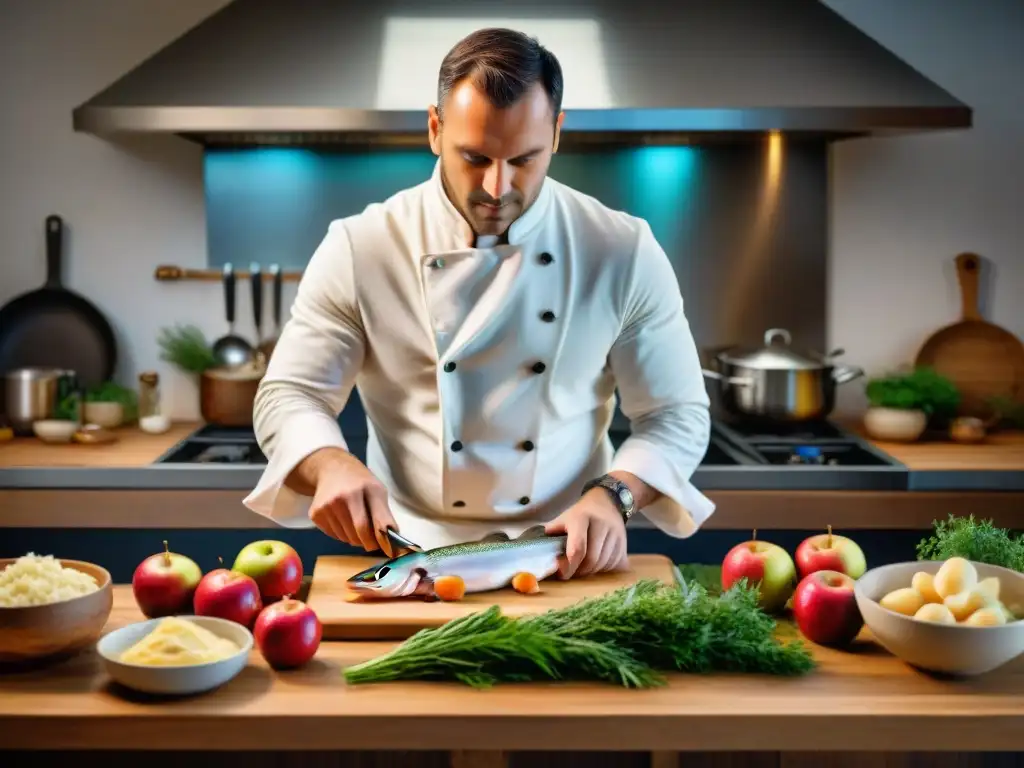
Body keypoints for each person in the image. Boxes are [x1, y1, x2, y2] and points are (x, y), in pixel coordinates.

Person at [243, 27, 714, 579]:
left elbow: (675, 414)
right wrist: (328, 466)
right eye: (475, 157)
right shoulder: (362, 245)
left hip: (566, 558)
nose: (497, 186)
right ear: (435, 129)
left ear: (557, 134)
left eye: (524, 159)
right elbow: (290, 394)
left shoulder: (621, 249)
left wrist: (616, 495)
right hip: (406, 558)